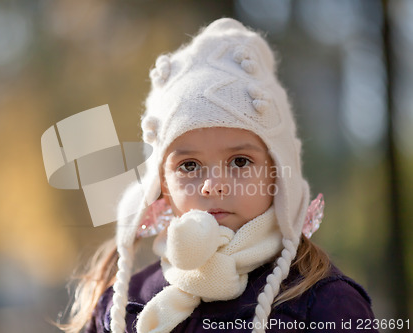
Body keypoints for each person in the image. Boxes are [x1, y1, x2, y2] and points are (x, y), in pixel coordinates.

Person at [59, 18, 378, 333]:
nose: (213, 186)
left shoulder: (325, 305)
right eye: (188, 165)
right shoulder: (123, 306)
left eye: (240, 161)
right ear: (162, 185)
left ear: (278, 174)